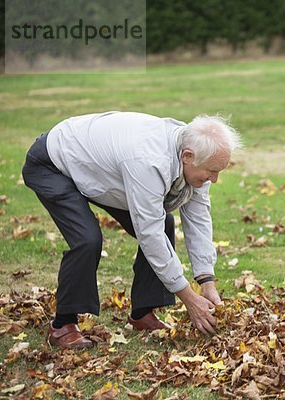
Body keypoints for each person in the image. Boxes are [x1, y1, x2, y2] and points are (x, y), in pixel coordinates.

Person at [22, 111, 243, 349]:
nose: (215, 179)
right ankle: (62, 325)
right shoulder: (149, 161)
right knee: (87, 239)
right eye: (212, 171)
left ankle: (142, 314)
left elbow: (198, 219)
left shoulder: (196, 152)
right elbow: (149, 233)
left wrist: (206, 282)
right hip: (53, 163)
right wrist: (189, 298)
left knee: (164, 222)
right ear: (188, 156)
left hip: (99, 168)